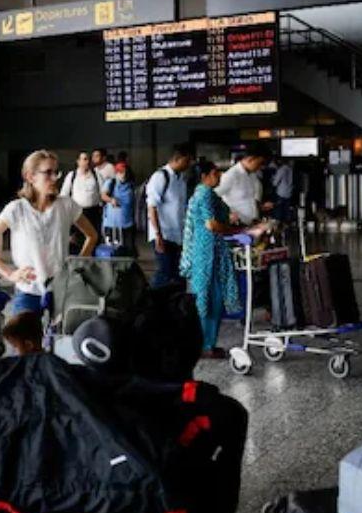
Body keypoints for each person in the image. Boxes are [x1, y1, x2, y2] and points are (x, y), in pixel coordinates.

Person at [0, 150, 98, 316]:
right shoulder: (17, 209)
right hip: (28, 290)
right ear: (30, 177)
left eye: (56, 172)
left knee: (61, 333)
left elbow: (92, 235)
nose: (54, 178)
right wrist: (9, 274)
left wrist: (77, 265)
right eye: (48, 173)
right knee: (22, 332)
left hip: (61, 290)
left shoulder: (66, 205)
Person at [181, 160, 259, 360]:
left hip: (205, 252)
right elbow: (211, 224)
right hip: (208, 254)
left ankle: (205, 344)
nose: (220, 176)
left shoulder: (202, 193)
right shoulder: (205, 193)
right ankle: (205, 346)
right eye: (215, 173)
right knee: (210, 299)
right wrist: (235, 231)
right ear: (204, 176)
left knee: (207, 298)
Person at [146, 145, 194, 287]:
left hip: (178, 236)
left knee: (178, 274)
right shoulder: (160, 177)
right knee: (164, 273)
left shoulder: (181, 179)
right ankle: (152, 297)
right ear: (177, 159)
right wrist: (157, 235)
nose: (189, 164)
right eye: (187, 161)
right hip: (164, 235)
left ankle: (175, 299)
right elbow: (152, 207)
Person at [216, 145, 272, 225]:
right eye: (260, 163)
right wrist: (227, 214)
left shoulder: (252, 175)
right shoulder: (231, 175)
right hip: (236, 225)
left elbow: (248, 200)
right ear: (251, 159)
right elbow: (213, 197)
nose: (261, 167)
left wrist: (260, 207)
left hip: (252, 223)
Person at [60, 151, 103, 236]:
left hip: (94, 212)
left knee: (94, 236)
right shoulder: (72, 175)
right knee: (78, 237)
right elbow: (64, 194)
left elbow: (102, 192)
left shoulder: (96, 174)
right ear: (78, 161)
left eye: (88, 159)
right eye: (85, 159)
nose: (87, 161)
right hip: (77, 212)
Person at [101, 161, 136, 253]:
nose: (122, 175)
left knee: (129, 250)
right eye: (120, 172)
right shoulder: (111, 183)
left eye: (124, 172)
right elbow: (103, 196)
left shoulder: (131, 185)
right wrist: (111, 200)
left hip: (127, 223)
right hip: (112, 224)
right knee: (113, 250)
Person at [271, 158, 295, 223]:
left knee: (278, 213)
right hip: (289, 194)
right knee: (286, 213)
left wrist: (272, 179)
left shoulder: (281, 169)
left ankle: (278, 226)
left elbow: (275, 183)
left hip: (281, 194)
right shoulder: (291, 169)